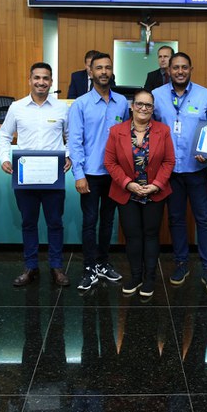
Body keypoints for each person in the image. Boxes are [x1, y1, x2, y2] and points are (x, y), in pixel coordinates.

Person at [0, 62, 72, 287]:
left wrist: (68, 156)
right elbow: (4, 135)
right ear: (29, 80)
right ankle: (30, 267)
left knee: (55, 223)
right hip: (25, 177)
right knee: (28, 223)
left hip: (53, 177)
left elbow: (71, 136)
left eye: (45, 78)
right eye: (37, 78)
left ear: (51, 82)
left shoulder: (62, 108)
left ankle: (56, 267)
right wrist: (4, 158)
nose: (41, 82)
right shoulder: (17, 107)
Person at [152, 52, 207, 294]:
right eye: (175, 68)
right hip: (169, 171)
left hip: (197, 169)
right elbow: (150, 128)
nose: (180, 71)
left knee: (204, 219)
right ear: (168, 70)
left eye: (184, 67)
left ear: (191, 69)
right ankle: (181, 263)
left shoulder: (206, 95)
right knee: (176, 219)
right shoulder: (156, 95)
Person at [104, 89, 175, 297]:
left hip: (154, 192)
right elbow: (110, 162)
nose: (144, 108)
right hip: (127, 192)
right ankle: (136, 276)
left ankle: (150, 278)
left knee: (151, 235)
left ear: (153, 109)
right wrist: (127, 183)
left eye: (148, 105)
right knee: (133, 236)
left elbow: (169, 161)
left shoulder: (163, 130)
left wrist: (157, 184)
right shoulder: (117, 131)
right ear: (132, 106)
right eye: (139, 104)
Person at [68, 52, 130, 291]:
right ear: (90, 72)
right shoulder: (80, 104)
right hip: (90, 175)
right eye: (99, 68)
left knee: (108, 222)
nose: (104, 72)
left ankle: (103, 263)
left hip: (114, 174)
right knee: (89, 222)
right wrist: (79, 175)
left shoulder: (122, 102)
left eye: (108, 67)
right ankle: (89, 268)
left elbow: (126, 136)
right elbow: (75, 141)